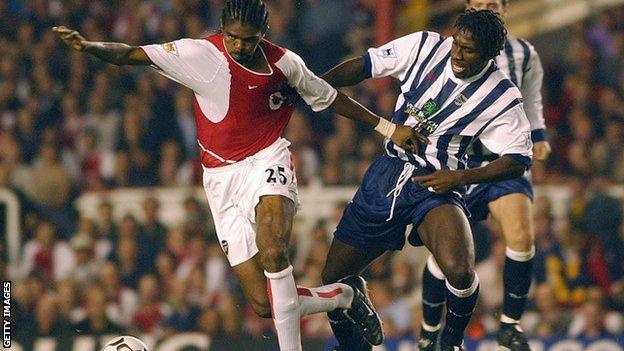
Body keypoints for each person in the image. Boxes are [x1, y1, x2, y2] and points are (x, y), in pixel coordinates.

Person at [52, 1, 422, 349]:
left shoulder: (285, 64)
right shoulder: (201, 55)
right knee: (265, 305)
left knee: (274, 250)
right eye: (232, 36)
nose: (240, 45)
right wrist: (88, 46)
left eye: (249, 38)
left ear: (264, 32)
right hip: (220, 179)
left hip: (268, 159)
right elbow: (132, 53)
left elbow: (328, 96)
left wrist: (388, 129)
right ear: (221, 29)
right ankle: (344, 296)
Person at [319, 9, 533, 351]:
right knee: (331, 278)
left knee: (460, 270)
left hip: (436, 183)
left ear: (491, 54)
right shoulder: (424, 46)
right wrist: (316, 83)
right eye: (457, 44)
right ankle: (351, 331)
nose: (458, 55)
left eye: (469, 50)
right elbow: (365, 65)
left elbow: (519, 160)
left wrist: (460, 177)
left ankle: (450, 342)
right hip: (387, 172)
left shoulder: (502, 97)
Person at [417, 1, 551, 350]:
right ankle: (430, 330)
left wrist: (539, 137)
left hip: (503, 164)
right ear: (469, 7)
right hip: (459, 164)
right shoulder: (450, 50)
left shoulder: (524, 54)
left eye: (493, 4)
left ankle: (510, 326)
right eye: (480, 4)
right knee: (447, 258)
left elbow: (532, 101)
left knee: (521, 234)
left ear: (505, 8)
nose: (487, 9)